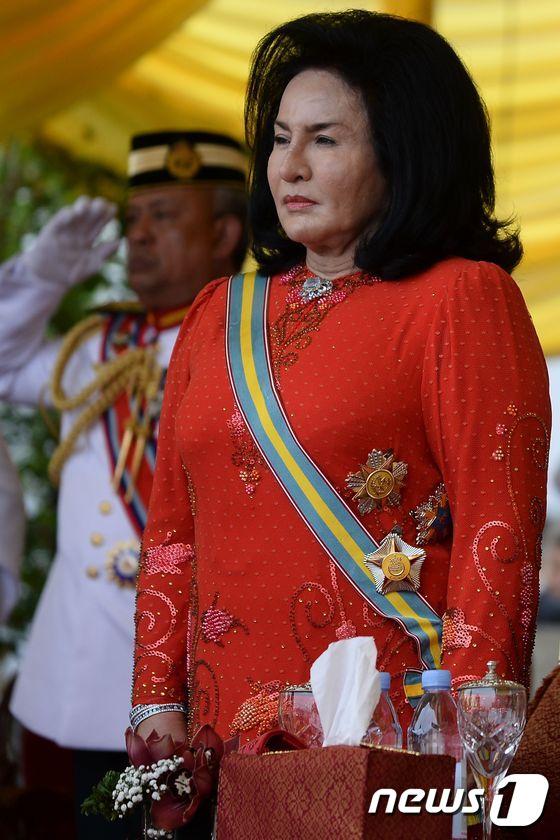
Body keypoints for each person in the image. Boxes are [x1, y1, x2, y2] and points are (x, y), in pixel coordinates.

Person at [131, 9, 551, 762]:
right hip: (212, 741)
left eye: (324, 140)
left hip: (380, 737)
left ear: (404, 154)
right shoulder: (219, 312)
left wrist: (462, 750)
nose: (289, 166)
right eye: (281, 139)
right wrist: (155, 700)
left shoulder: (460, 298)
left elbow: (501, 543)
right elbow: (170, 535)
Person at [0, 130, 247, 836]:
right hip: (98, 675)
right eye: (132, 219)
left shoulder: (255, 350)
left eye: (164, 217)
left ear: (225, 231)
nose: (138, 235)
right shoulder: (100, 350)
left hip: (211, 675)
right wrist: (43, 276)